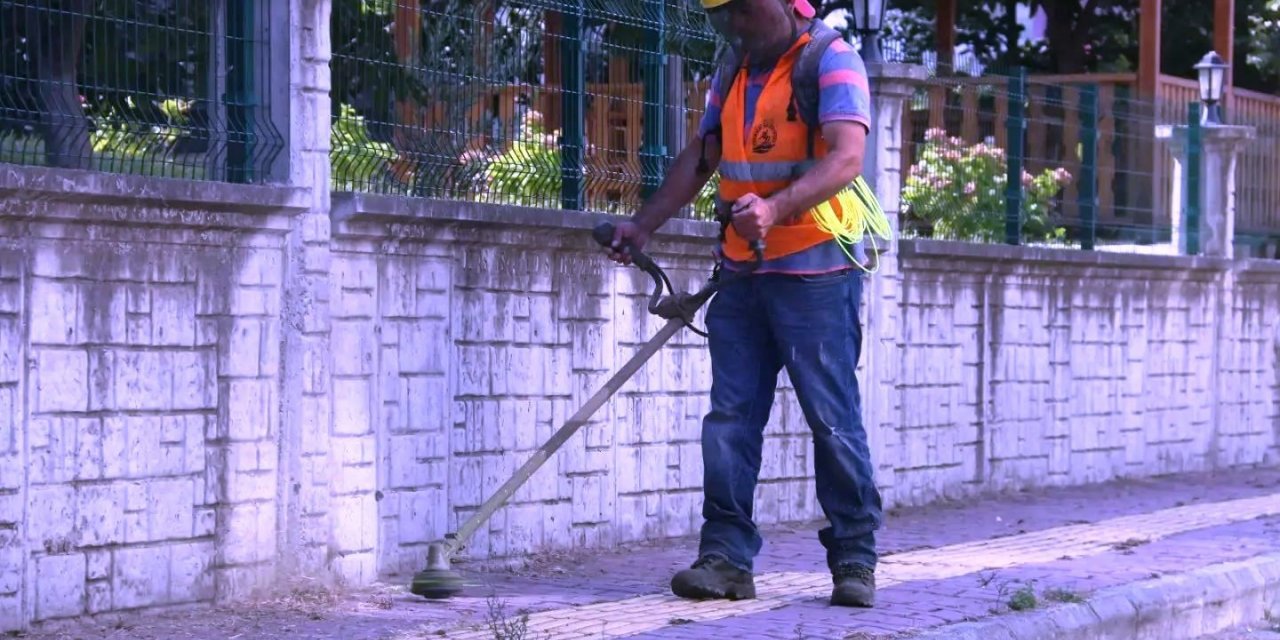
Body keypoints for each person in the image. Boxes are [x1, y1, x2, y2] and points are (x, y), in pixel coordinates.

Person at [603, 0, 884, 609]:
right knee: (730, 421)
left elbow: (846, 157)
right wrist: (644, 225)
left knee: (832, 420)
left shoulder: (832, 60)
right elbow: (704, 158)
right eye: (722, 14)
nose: (734, 25)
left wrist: (777, 208)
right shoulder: (731, 70)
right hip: (742, 275)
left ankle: (854, 560)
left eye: (743, 11)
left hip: (816, 275)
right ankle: (726, 558)